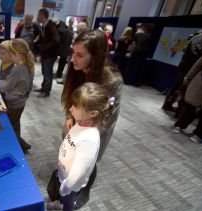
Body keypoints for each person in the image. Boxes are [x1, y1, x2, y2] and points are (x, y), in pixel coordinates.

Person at [60, 30, 123, 208]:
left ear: (95, 57)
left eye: (80, 55)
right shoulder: (77, 69)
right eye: (73, 53)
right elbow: (73, 99)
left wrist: (85, 134)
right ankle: (70, 180)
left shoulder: (111, 80)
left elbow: (106, 117)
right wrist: (69, 116)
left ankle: (84, 191)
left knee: (88, 159)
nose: (73, 59)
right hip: (78, 119)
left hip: (97, 127)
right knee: (71, 152)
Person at [47, 82, 115, 211]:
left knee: (67, 202)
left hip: (70, 185)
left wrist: (66, 187)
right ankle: (59, 203)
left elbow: (78, 174)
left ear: (93, 113)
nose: (71, 109)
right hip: (64, 175)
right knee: (63, 198)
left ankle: (64, 207)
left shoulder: (89, 141)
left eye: (76, 106)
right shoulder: (81, 124)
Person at [0, 38, 34, 153]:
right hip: (19, 103)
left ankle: (22, 146)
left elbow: (5, 87)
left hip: (14, 104)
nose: (11, 57)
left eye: (11, 54)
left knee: (9, 127)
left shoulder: (19, 70)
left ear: (16, 54)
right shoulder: (27, 66)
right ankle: (21, 145)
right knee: (15, 125)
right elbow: (29, 87)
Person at [173, 51, 202, 143]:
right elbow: (199, 63)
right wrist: (188, 76)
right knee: (191, 105)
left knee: (197, 108)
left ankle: (199, 134)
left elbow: (199, 63)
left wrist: (188, 76)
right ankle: (182, 127)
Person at [34, 8, 60, 98]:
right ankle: (43, 88)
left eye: (38, 15)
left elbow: (56, 40)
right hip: (45, 54)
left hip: (50, 55)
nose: (37, 17)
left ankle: (46, 91)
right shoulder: (44, 25)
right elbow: (43, 39)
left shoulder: (51, 25)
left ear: (42, 16)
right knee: (45, 72)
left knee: (48, 73)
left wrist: (44, 48)